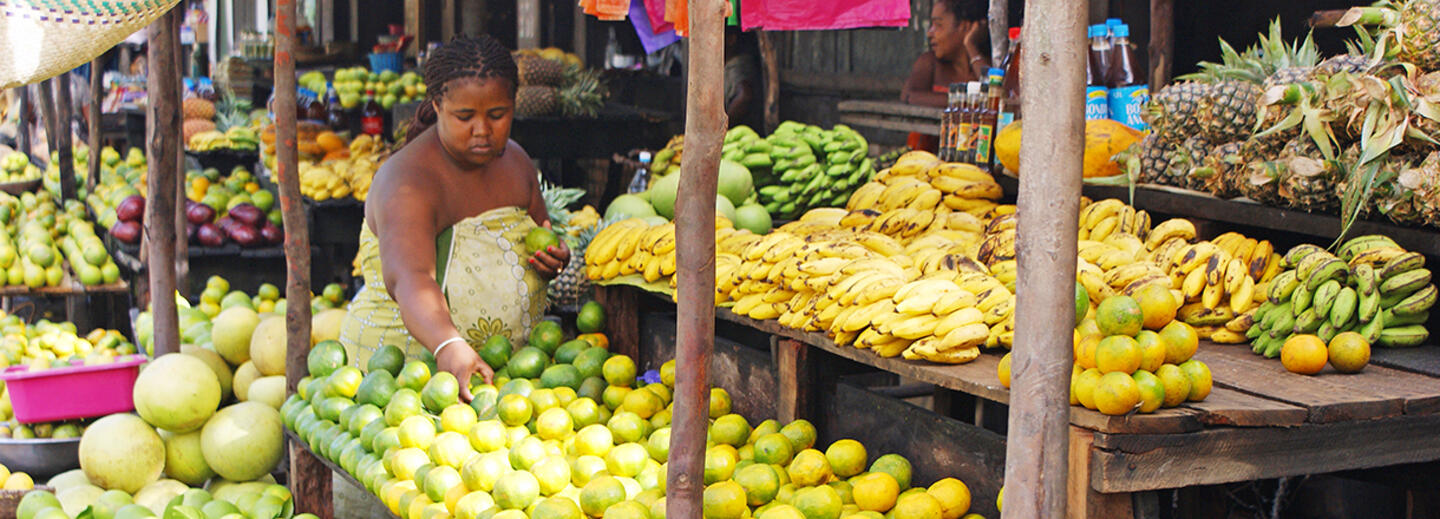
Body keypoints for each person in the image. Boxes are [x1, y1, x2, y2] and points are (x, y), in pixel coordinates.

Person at [338, 35, 570, 401]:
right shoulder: (408, 181)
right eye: (465, 117)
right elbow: (410, 278)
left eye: (497, 115)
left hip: (500, 376)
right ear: (437, 106)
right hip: (402, 378)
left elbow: (539, 234)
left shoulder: (517, 162)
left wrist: (552, 258)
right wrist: (448, 344)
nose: (482, 130)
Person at [901, 0, 990, 150]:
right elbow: (909, 96)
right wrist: (967, 102)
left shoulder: (985, 65)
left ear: (965, 27)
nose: (930, 33)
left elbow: (993, 95)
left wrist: (970, 45)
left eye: (938, 25)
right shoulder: (929, 63)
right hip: (923, 157)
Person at [724, 26, 761, 129]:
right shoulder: (728, 65)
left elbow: (745, 95)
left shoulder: (738, 66)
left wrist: (725, 126)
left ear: (731, 40)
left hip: (742, 131)